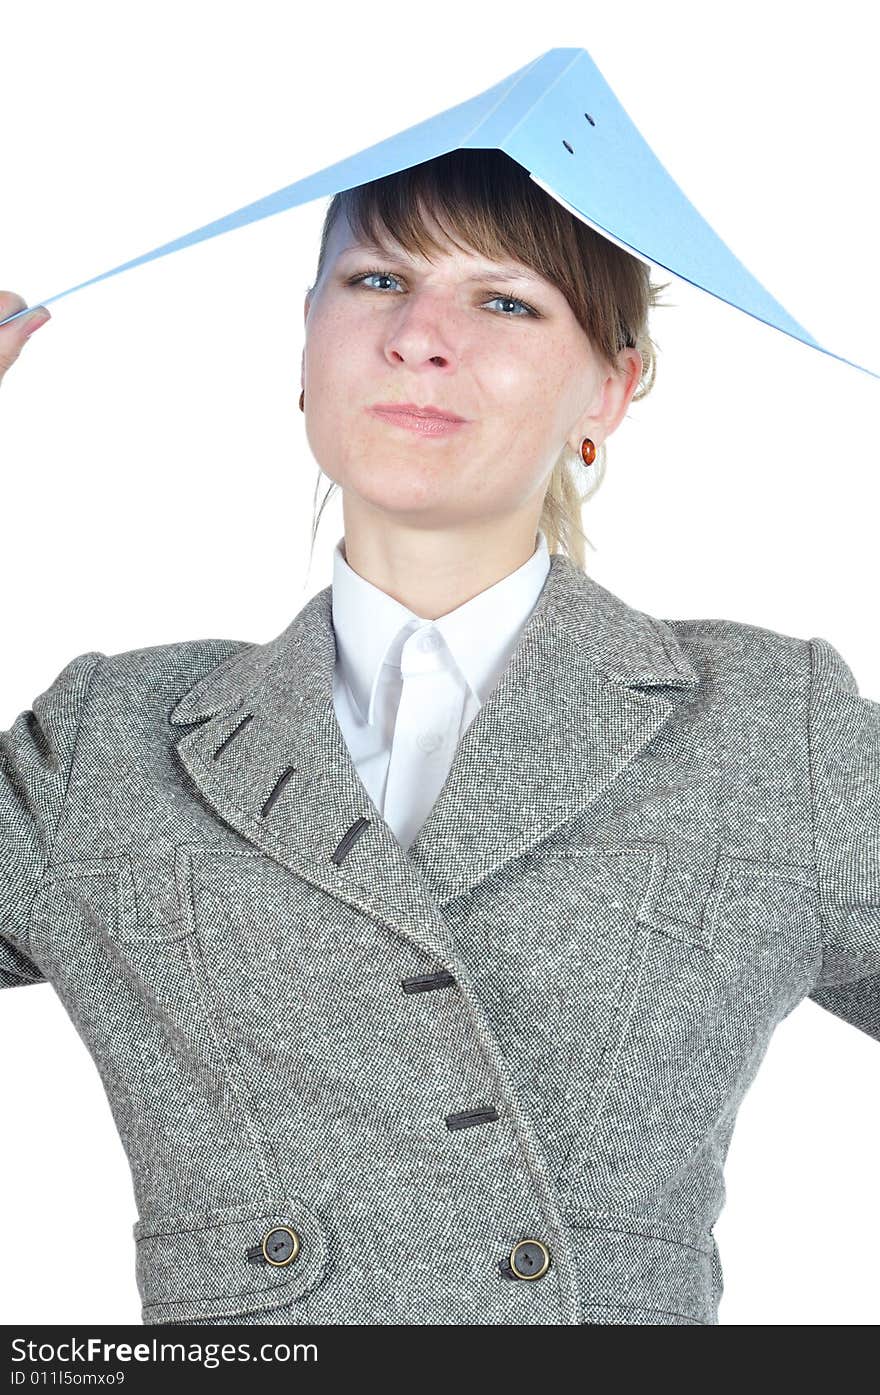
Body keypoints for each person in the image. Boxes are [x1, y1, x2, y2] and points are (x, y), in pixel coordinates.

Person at [1, 148, 877, 1327]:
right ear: (304, 341)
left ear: (611, 391)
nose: (419, 336)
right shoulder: (111, 739)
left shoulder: (775, 729)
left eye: (504, 300)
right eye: (374, 282)